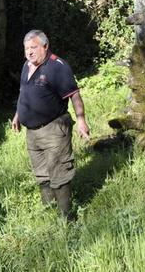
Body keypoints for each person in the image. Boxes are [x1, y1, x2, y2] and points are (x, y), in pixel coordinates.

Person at [11, 30, 90, 220]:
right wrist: (17, 115)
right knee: (42, 174)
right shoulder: (26, 66)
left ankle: (66, 217)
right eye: (26, 48)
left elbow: (74, 95)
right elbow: (24, 92)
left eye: (33, 48)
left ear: (45, 47)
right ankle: (48, 213)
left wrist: (81, 120)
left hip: (54, 128)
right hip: (32, 132)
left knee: (59, 173)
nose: (29, 52)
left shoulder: (57, 67)